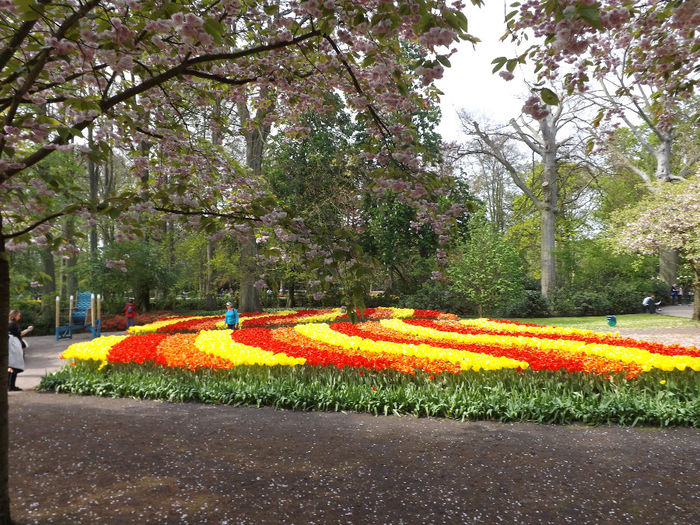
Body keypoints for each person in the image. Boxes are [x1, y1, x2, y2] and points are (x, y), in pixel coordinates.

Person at [8, 309, 33, 391]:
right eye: (19, 315)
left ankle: (10, 386)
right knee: (14, 365)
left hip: (12, 345)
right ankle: (11, 386)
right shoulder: (12, 324)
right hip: (13, 346)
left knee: (11, 366)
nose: (20, 317)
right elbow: (19, 334)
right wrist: (28, 330)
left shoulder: (11, 324)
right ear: (14, 315)